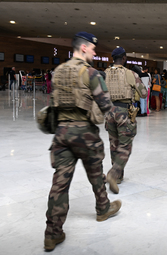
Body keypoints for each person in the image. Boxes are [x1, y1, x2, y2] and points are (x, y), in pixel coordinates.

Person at [44, 32, 121, 251]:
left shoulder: (57, 72)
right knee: (96, 174)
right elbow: (106, 106)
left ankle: (52, 234)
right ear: (84, 48)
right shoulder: (91, 73)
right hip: (85, 134)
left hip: (61, 134)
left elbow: (53, 103)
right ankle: (103, 208)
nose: (95, 53)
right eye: (93, 49)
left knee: (59, 184)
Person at [104, 47, 147, 193]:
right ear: (123, 59)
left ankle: (119, 176)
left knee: (113, 143)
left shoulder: (104, 74)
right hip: (123, 112)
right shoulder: (131, 74)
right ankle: (113, 173)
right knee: (126, 145)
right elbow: (143, 94)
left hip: (109, 112)